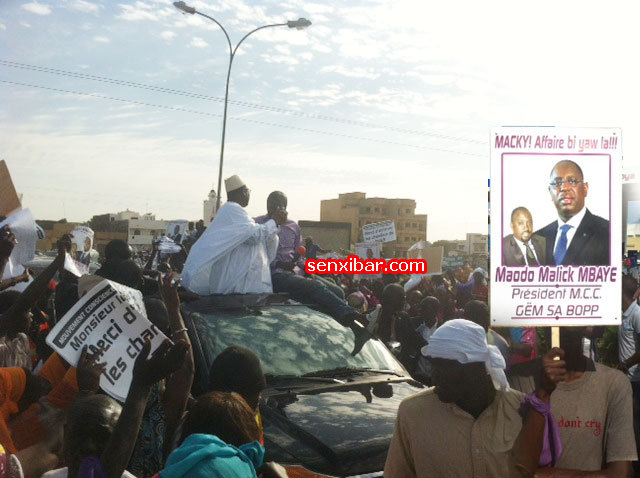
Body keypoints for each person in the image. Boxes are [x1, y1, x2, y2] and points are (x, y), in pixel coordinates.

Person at [384, 319, 567, 478]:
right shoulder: (413, 413)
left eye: (447, 367)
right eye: (434, 366)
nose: (435, 377)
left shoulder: (521, 409)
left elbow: (540, 470)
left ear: (479, 367)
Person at [508, 326, 636, 476]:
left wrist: (547, 475)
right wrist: (542, 394)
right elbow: (510, 466)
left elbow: (620, 473)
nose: (567, 328)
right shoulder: (517, 379)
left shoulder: (614, 384)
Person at [255, 191, 362, 328]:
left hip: (295, 274)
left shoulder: (293, 226)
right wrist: (279, 263)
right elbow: (256, 256)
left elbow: (300, 256)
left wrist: (310, 269)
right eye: (274, 205)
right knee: (315, 287)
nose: (278, 208)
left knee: (338, 291)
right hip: (274, 275)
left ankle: (337, 326)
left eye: (281, 205)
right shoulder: (259, 224)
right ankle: (352, 317)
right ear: (268, 206)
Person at [182, 176, 287, 295]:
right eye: (248, 191)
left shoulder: (233, 212)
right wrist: (274, 222)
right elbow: (253, 236)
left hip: (243, 285)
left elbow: (259, 240)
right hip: (237, 285)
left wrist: (274, 227)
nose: (248, 195)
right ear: (243, 192)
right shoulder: (232, 210)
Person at [536, 160, 609, 266]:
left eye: (572, 181)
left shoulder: (608, 232)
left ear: (585, 189)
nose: (564, 188)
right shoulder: (537, 239)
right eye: (557, 183)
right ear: (550, 192)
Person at [618, 274, 640, 474]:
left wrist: (625, 364)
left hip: (635, 379)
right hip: (627, 378)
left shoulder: (637, 315)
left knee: (634, 422)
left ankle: (634, 465)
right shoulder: (624, 314)